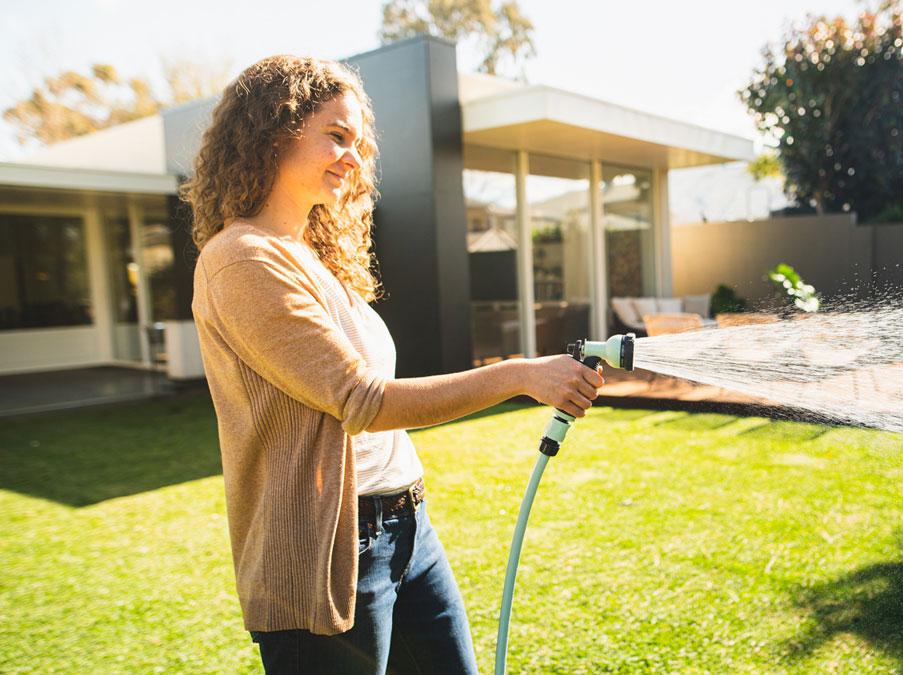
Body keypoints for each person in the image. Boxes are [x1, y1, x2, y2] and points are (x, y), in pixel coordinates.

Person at [182, 55, 603, 675]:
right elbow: (364, 402)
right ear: (274, 129)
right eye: (336, 135)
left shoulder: (311, 257)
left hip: (408, 528)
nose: (353, 158)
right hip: (329, 554)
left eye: (359, 142)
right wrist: (517, 374)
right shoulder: (242, 260)